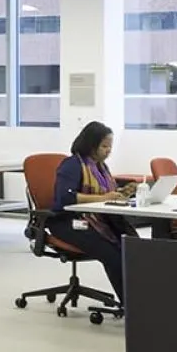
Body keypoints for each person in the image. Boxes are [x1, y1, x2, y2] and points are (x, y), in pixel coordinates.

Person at [50, 119, 129, 314]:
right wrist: (103, 197)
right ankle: (131, 305)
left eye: (110, 146)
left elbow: (107, 192)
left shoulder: (101, 167)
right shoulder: (72, 165)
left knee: (132, 245)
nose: (108, 151)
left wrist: (124, 192)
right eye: (104, 146)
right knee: (113, 254)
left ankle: (142, 298)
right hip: (67, 221)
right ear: (91, 145)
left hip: (95, 219)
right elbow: (65, 197)